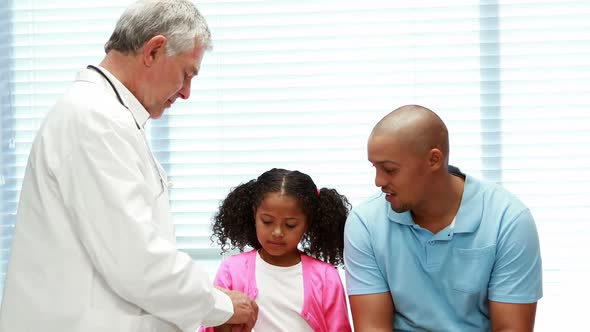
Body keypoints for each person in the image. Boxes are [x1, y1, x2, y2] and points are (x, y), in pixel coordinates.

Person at [0, 1, 258, 331]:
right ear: (154, 50)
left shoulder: (104, 116)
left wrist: (206, 302)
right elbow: (137, 262)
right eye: (186, 74)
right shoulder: (96, 120)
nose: (187, 93)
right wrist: (219, 305)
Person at [344, 105, 543, 331]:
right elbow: (373, 328)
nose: (378, 181)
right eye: (375, 168)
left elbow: (511, 328)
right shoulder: (364, 223)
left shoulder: (508, 220)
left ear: (434, 160)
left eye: (389, 170)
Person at [199, 168, 353, 332]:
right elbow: (209, 324)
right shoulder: (232, 270)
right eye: (267, 221)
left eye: (290, 225)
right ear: (254, 215)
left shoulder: (325, 277)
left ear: (308, 223)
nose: (277, 232)